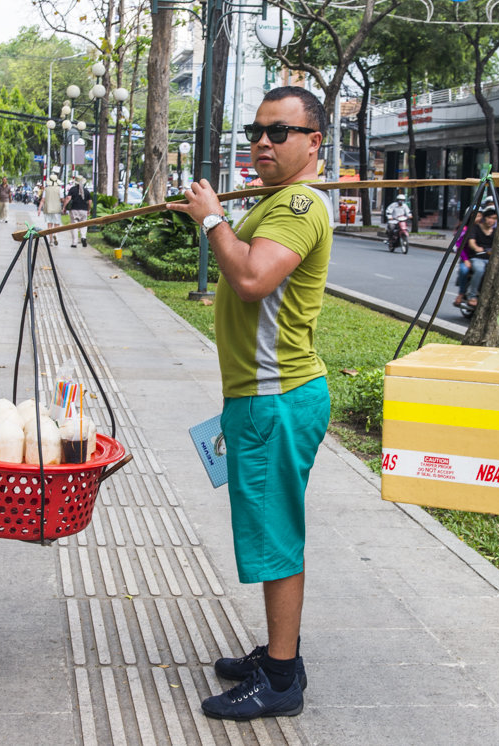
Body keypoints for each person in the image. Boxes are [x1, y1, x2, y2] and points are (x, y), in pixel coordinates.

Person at [168, 86, 331, 721]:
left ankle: (282, 680)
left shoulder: (294, 203)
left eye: (280, 132)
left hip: (275, 397)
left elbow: (251, 277)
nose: (263, 141)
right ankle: (276, 652)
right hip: (264, 396)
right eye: (257, 130)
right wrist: (216, 218)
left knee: (275, 534)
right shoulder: (275, 199)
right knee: (269, 528)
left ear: (313, 143)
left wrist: (212, 218)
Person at [456, 207, 496, 307]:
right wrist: (466, 259)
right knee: (470, 270)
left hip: (490, 259)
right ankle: (465, 294)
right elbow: (462, 246)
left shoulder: (496, 231)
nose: (491, 220)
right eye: (489, 217)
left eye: (479, 216)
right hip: (472, 258)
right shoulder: (469, 230)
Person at [65, 175, 93, 247]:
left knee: (74, 226)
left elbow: (68, 198)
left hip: (74, 210)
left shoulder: (72, 189)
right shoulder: (86, 191)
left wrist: (64, 207)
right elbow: (90, 202)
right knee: (83, 225)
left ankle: (74, 242)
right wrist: (88, 210)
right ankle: (83, 237)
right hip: (84, 210)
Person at [38, 177, 64, 246]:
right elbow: (62, 199)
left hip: (48, 209)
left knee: (49, 225)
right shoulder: (60, 189)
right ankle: (55, 234)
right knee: (57, 224)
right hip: (57, 209)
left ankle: (51, 241)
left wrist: (39, 209)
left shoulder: (46, 189)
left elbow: (43, 200)